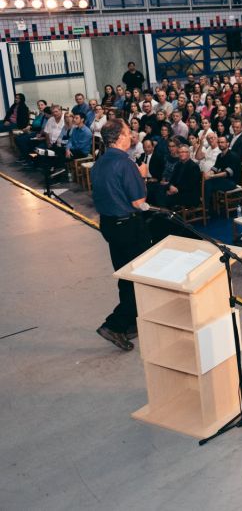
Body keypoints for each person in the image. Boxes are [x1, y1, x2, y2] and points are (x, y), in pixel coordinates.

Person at [90, 118, 153, 351]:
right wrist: (143, 175)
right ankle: (115, 324)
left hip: (109, 225)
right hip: (129, 226)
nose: (132, 136)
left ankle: (130, 322)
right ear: (119, 137)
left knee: (125, 275)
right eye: (128, 133)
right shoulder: (125, 164)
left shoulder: (99, 163)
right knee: (139, 278)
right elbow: (138, 201)